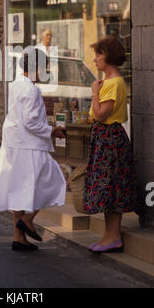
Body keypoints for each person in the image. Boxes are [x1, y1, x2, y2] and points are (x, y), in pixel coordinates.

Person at [0, 47, 66, 251]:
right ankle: (27, 220)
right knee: (54, 180)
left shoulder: (17, 84)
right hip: (29, 145)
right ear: (37, 67)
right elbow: (30, 122)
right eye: (45, 67)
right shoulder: (30, 89)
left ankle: (18, 237)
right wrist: (52, 130)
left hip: (15, 143)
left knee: (20, 188)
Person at [85, 36, 137, 253]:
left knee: (112, 188)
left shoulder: (114, 83)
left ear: (109, 57)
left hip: (110, 140)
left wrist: (95, 94)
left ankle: (114, 236)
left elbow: (100, 114)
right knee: (107, 190)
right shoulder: (108, 82)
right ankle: (108, 236)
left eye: (99, 54)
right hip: (104, 139)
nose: (95, 58)